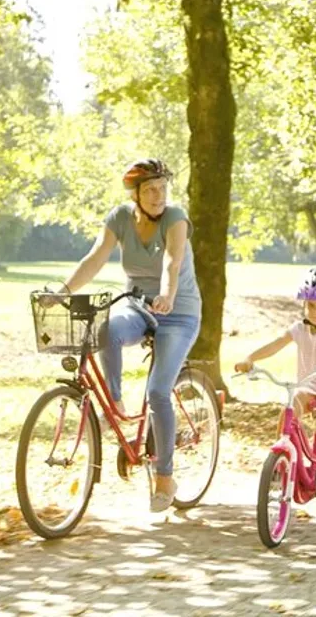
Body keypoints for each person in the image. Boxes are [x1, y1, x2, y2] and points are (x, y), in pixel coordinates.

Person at [51, 158, 202, 512]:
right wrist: (63, 290)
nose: (157, 195)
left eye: (162, 188)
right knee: (106, 328)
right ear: (134, 195)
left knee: (158, 391)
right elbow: (95, 258)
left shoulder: (175, 218)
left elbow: (172, 263)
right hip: (138, 306)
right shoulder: (120, 218)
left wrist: (167, 294)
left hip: (178, 313)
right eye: (149, 189)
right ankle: (115, 405)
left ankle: (164, 477)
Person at [235, 266, 316, 488]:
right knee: (287, 414)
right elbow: (275, 344)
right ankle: (282, 460)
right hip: (308, 387)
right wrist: (250, 358)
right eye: (310, 305)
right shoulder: (299, 329)